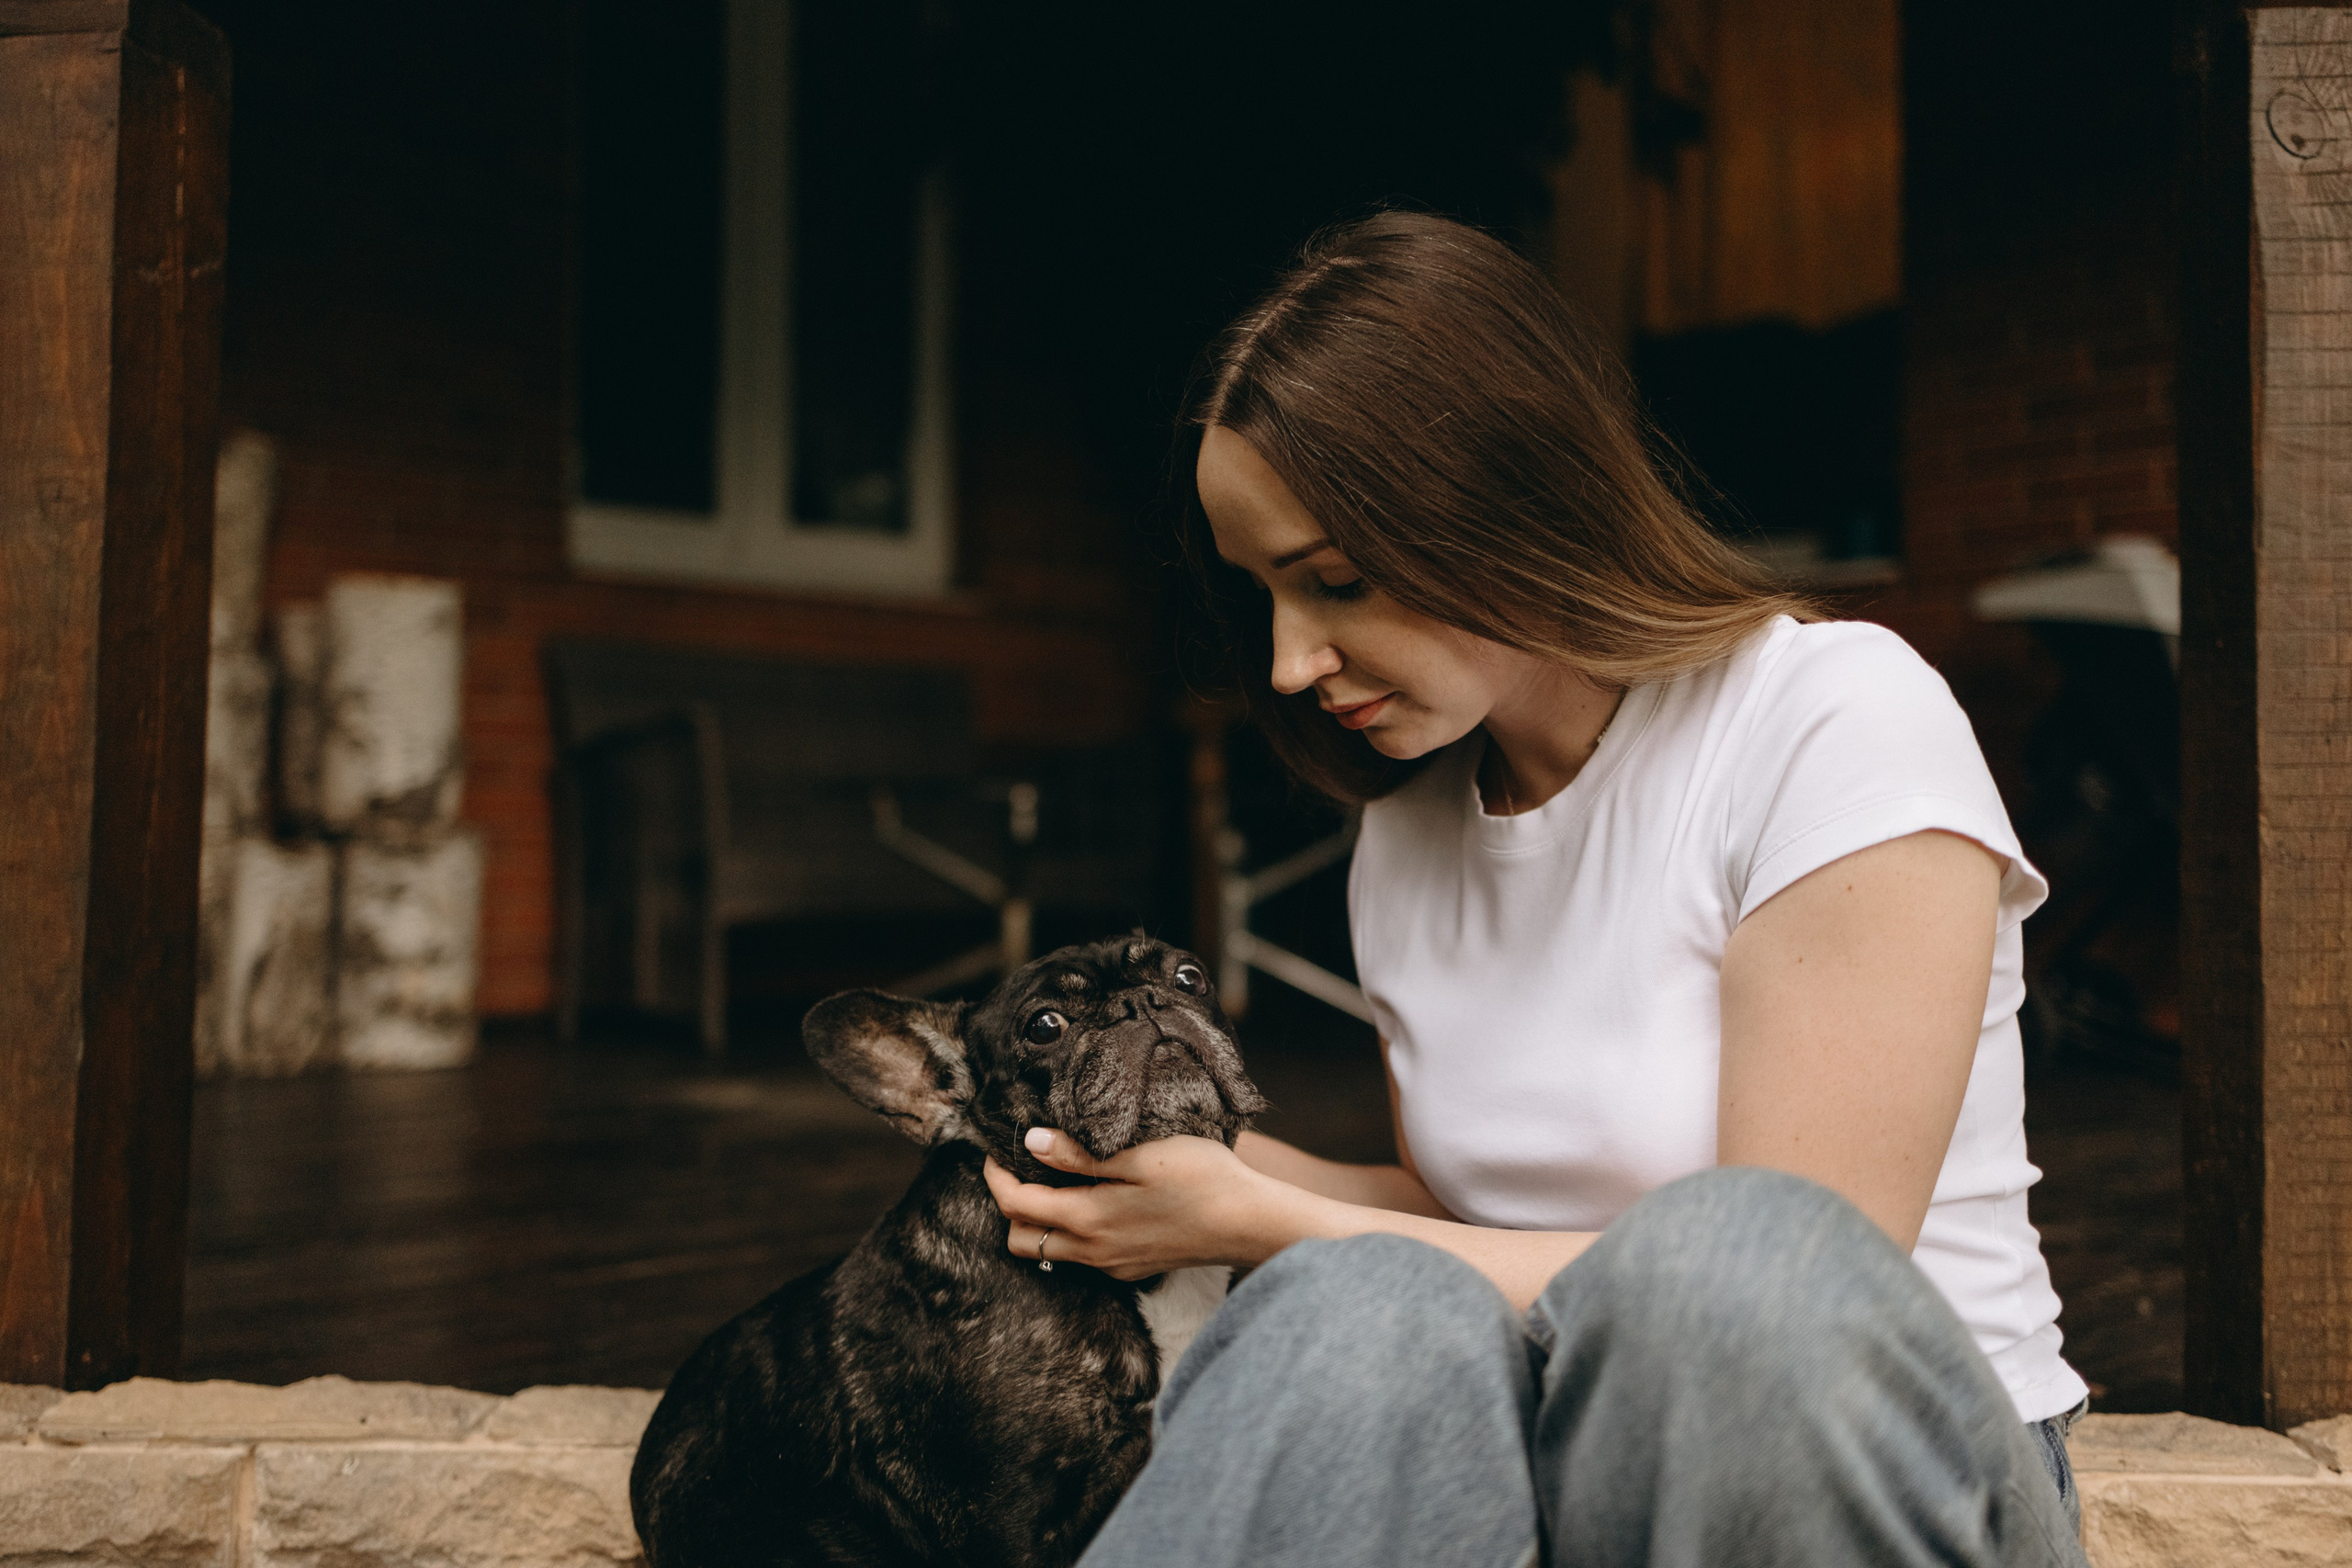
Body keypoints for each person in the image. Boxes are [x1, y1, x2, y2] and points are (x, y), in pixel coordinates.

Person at [983, 211, 2091, 1567]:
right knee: (1364, 1313)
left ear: (1505, 502)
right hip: (1548, 1443)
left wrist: (1274, 1223)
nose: (1287, 663)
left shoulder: (1830, 717)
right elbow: (1473, 1220)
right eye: (1262, 594)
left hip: (1896, 1467)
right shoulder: (1410, 834)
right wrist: (1175, 1168)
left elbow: (1797, 1293)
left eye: (1333, 581)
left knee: (1719, 1262)